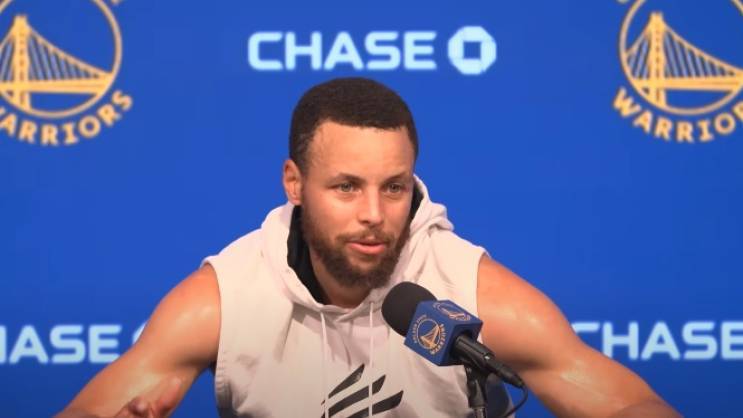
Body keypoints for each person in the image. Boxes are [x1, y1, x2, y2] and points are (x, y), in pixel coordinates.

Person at [56, 77, 680, 418]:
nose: (375, 215)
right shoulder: (225, 300)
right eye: (347, 187)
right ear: (294, 184)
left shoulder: (470, 292)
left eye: (394, 187)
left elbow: (633, 404)